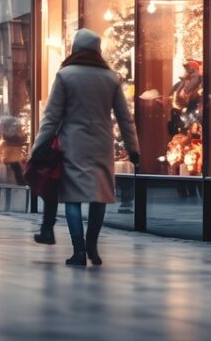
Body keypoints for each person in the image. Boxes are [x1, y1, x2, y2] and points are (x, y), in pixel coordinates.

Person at [32, 29, 139, 266]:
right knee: (98, 197)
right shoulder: (110, 77)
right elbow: (124, 117)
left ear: (75, 49)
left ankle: (78, 250)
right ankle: (93, 247)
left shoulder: (65, 75)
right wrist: (133, 148)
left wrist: (38, 147)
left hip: (72, 144)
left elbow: (51, 117)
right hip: (102, 144)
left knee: (72, 199)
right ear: (97, 50)